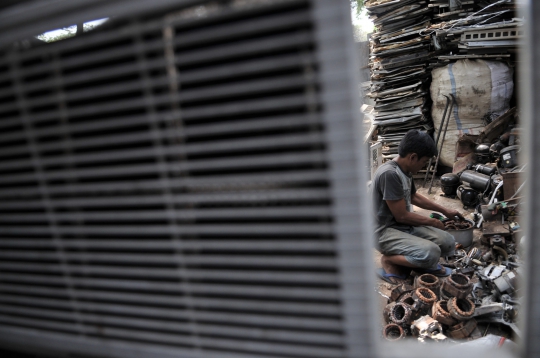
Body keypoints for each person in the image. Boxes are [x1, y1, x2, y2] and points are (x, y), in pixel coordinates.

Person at [371, 129, 464, 284]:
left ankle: (419, 262)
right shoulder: (390, 174)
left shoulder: (404, 169)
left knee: (447, 242)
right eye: (424, 162)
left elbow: (413, 196)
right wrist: (432, 222)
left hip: (400, 226)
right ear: (413, 157)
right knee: (432, 253)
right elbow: (402, 215)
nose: (423, 166)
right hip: (382, 231)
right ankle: (389, 260)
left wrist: (444, 210)